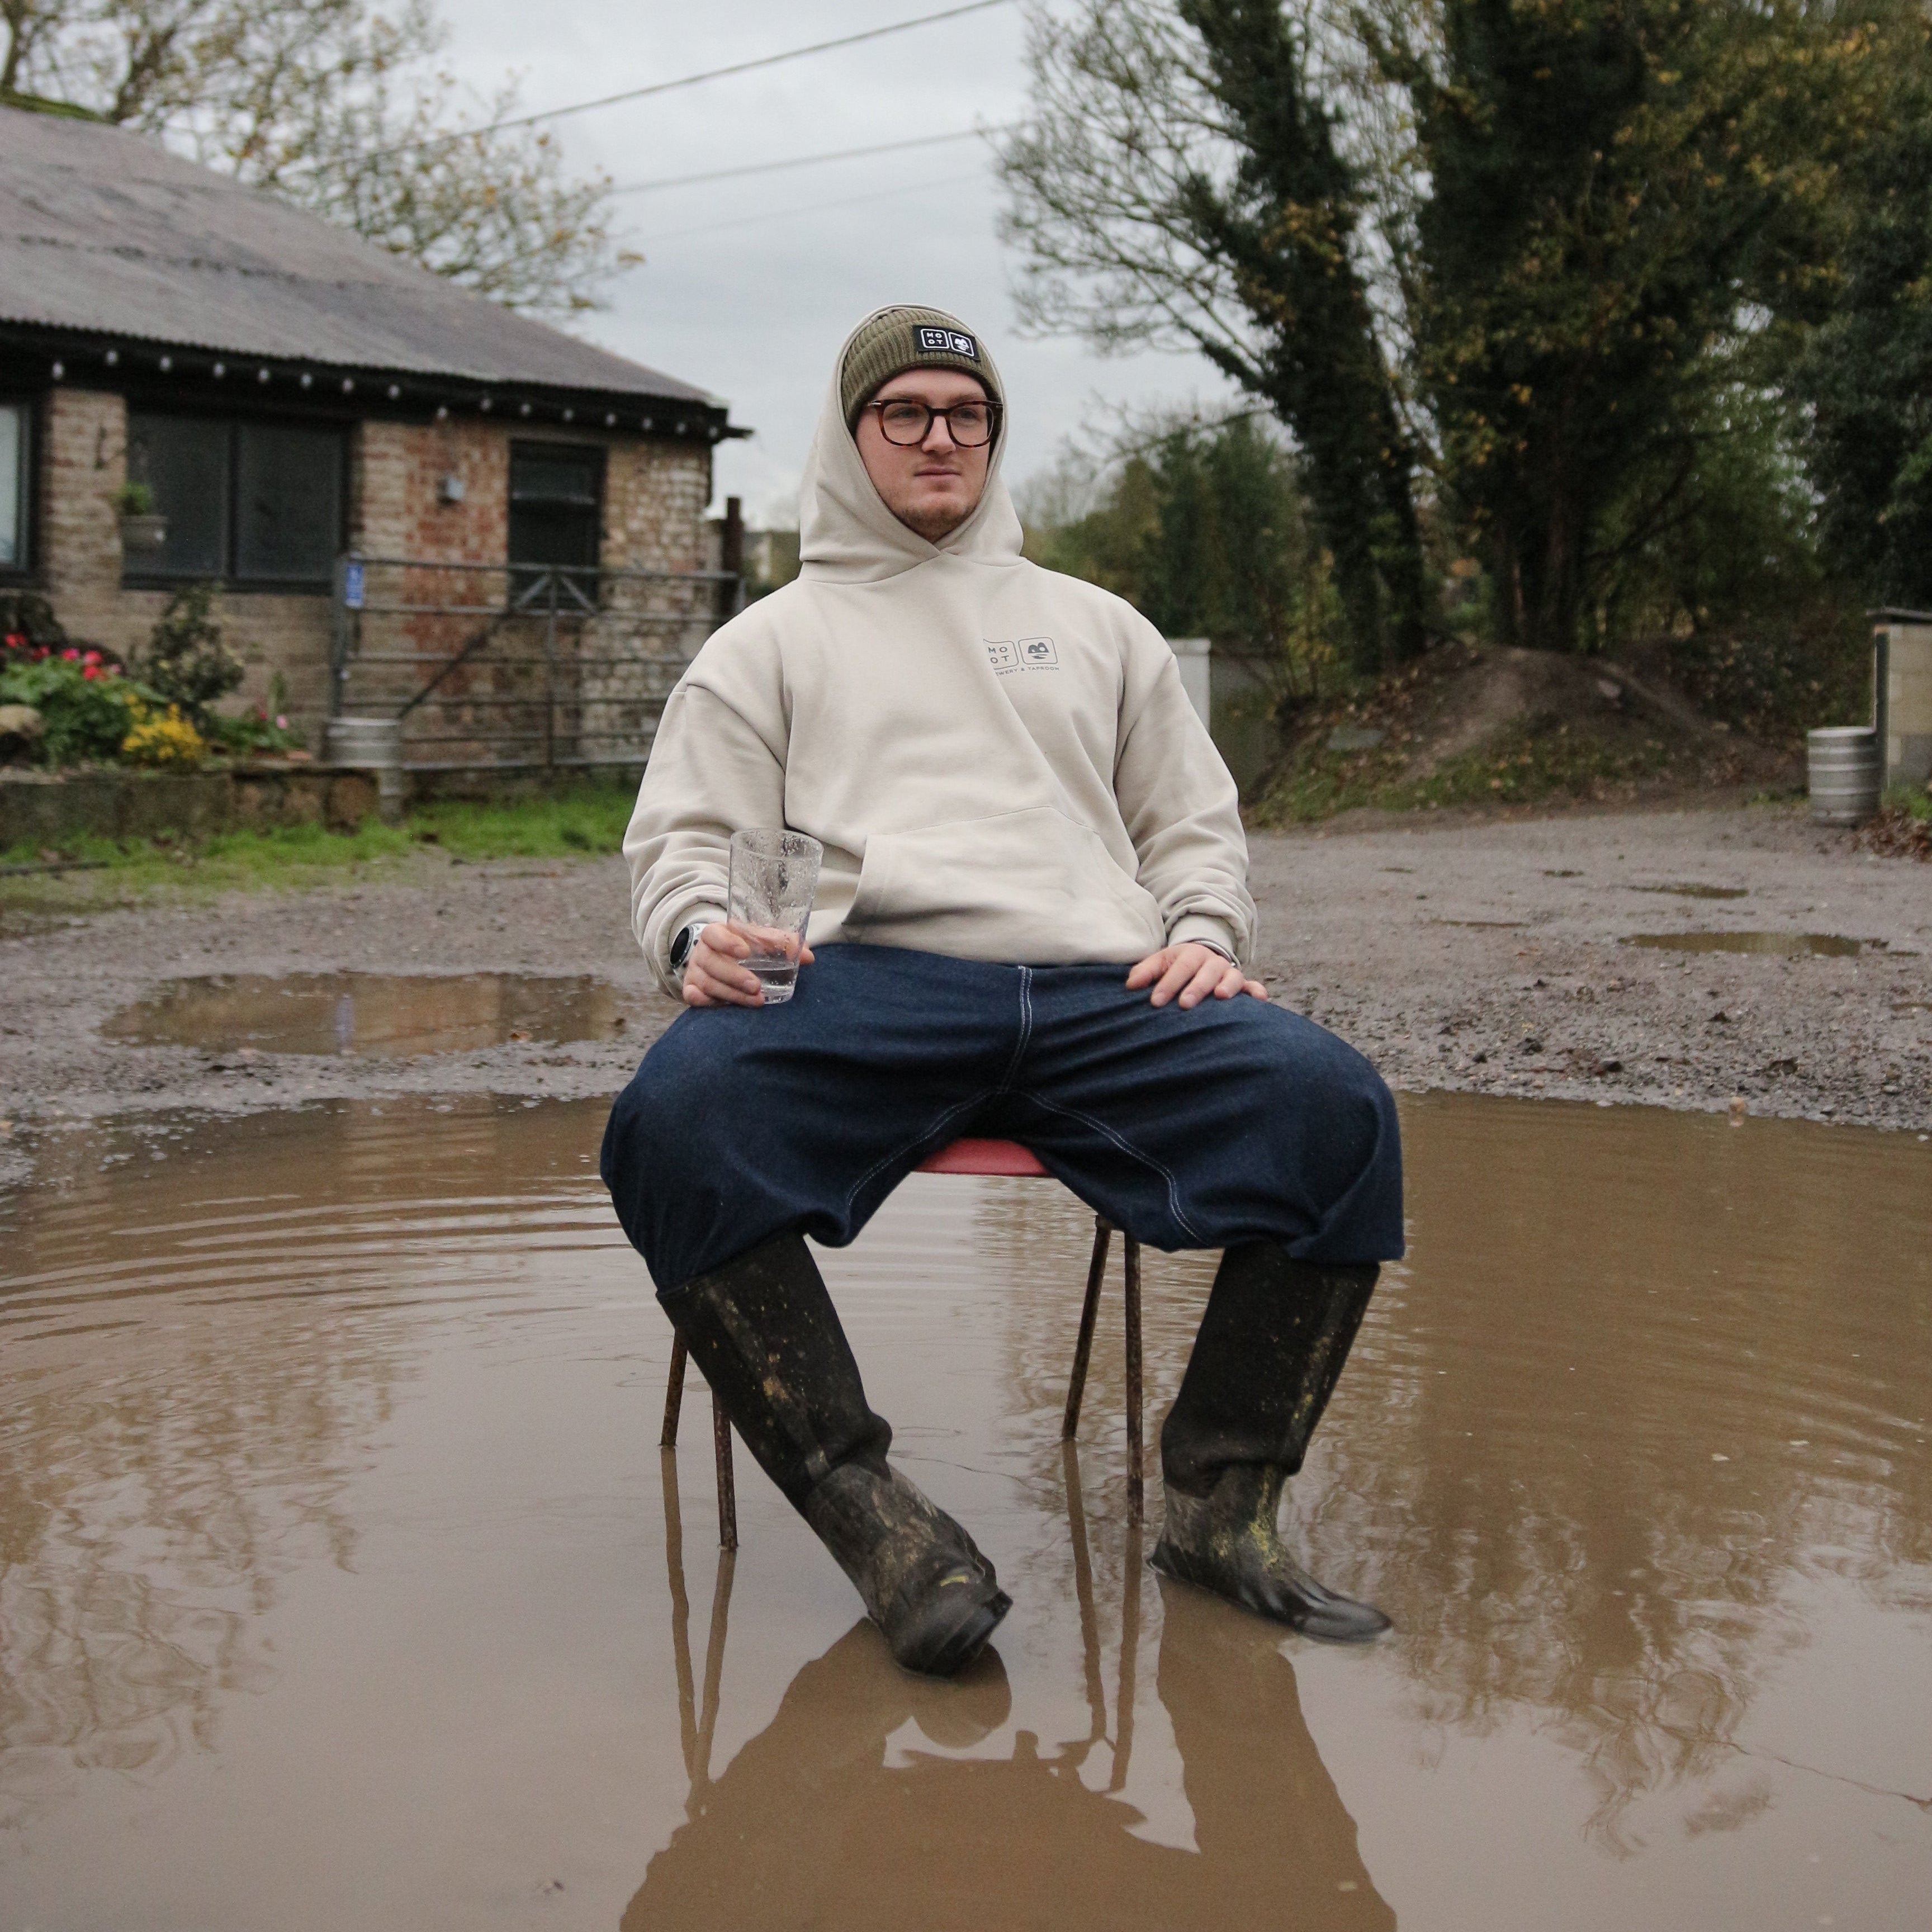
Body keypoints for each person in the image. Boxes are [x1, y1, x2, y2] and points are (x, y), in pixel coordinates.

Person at [602, 305, 1403, 1678]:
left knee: (1336, 1110)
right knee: (670, 1124)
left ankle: (1225, 1511)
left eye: (967, 416)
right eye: (904, 413)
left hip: (1102, 989)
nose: (940, 439)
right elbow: (685, 842)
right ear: (852, 439)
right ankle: (881, 1528)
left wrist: (1206, 923)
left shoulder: (1098, 629)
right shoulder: (770, 643)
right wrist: (692, 937)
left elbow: (1190, 826)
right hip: (866, 988)